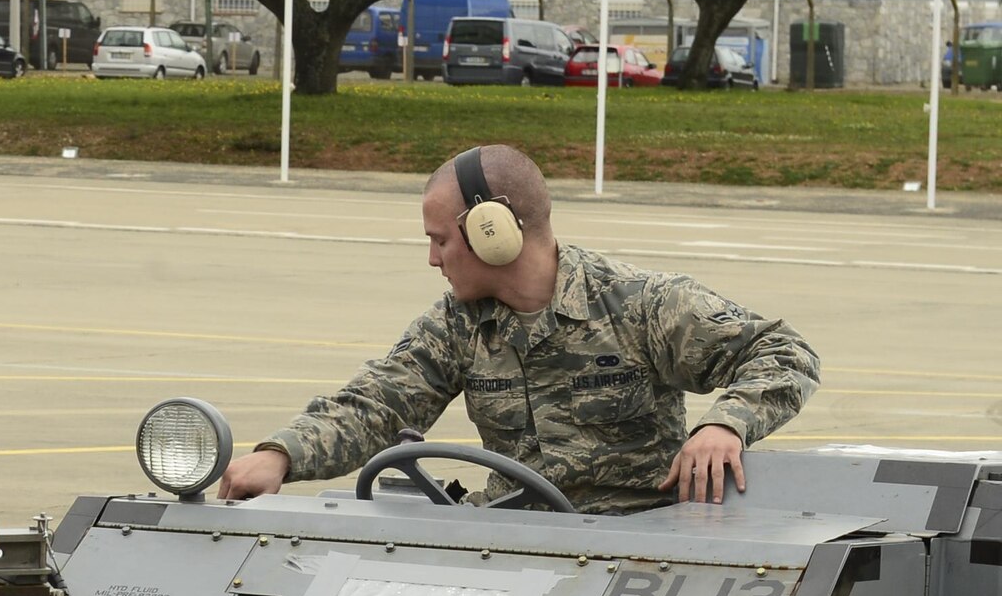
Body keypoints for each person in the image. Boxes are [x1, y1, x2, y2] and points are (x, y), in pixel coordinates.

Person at [218, 144, 819, 514]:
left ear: (492, 232)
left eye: (440, 240)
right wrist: (281, 455)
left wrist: (725, 424)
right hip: (512, 542)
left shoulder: (639, 304)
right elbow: (375, 405)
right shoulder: (456, 326)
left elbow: (784, 352)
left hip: (640, 550)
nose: (433, 259)